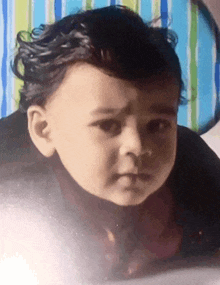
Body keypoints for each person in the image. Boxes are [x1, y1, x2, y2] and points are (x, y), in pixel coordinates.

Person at [0, 5, 220, 284]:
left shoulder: (193, 166)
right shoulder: (9, 186)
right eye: (107, 125)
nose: (137, 146)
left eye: (158, 125)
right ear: (44, 130)